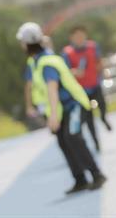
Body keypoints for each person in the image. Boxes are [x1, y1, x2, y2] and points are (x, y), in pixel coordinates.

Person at [18, 22, 106, 194]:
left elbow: (52, 89)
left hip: (73, 105)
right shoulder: (35, 61)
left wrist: (52, 118)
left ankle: (97, 174)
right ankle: (80, 179)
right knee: (63, 140)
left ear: (27, 43)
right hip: (59, 108)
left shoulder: (47, 62)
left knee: (73, 137)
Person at [62, 25, 112, 153]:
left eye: (81, 35)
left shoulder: (92, 46)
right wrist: (75, 72)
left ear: (85, 35)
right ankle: (96, 143)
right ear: (71, 38)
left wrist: (105, 72)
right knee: (89, 118)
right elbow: (65, 72)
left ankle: (104, 118)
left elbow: (99, 61)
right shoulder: (67, 53)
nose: (79, 38)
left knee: (102, 105)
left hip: (95, 84)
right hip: (81, 91)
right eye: (76, 36)